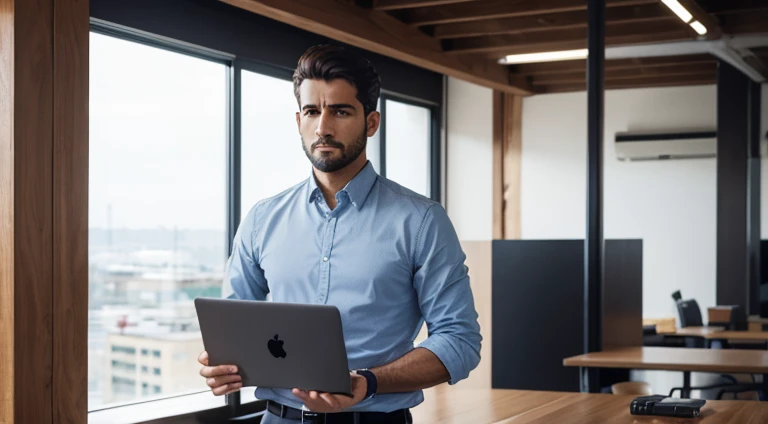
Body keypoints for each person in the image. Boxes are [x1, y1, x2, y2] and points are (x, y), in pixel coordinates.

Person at [198, 44, 481, 424]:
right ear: (298, 119)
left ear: (371, 122)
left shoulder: (421, 221)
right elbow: (232, 328)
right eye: (312, 111)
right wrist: (222, 365)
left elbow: (459, 341)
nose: (323, 127)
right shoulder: (262, 219)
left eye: (341, 111)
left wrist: (369, 381)